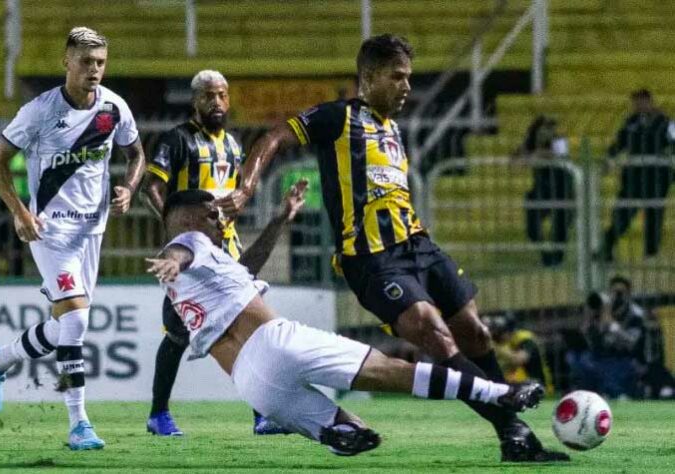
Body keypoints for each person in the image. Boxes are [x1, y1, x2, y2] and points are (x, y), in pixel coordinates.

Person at [215, 34, 568, 462]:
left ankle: (512, 432)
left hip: (419, 245)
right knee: (431, 331)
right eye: (396, 77)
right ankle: (511, 425)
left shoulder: (393, 129)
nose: (406, 87)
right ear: (368, 78)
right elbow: (274, 137)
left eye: (409, 78)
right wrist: (247, 187)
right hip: (371, 259)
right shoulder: (338, 118)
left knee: (475, 331)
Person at [147, 188, 545, 456]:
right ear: (194, 218)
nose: (222, 222)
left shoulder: (193, 279)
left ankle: (335, 432)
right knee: (393, 372)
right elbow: (186, 247)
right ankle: (499, 394)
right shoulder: (191, 241)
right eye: (215, 215)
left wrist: (281, 218)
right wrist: (174, 258)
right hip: (276, 343)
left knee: (354, 430)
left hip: (253, 387)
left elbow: (243, 269)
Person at [0, 26, 146, 450]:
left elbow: (137, 154)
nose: (94, 71)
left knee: (62, 327)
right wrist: (20, 212)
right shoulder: (39, 111)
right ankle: (78, 423)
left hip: (93, 231)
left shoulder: (113, 108)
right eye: (86, 62)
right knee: (75, 320)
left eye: (101, 63)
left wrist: (130, 186)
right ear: (66, 62)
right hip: (49, 230)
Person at [141, 70, 284, 436]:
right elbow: (151, 188)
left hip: (227, 252)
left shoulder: (234, 146)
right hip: (190, 256)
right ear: (195, 101)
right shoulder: (178, 140)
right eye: (208, 96)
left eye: (221, 95)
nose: (216, 103)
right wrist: (177, 229)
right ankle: (158, 415)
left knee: (247, 329)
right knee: (177, 334)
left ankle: (261, 414)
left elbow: (231, 196)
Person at [599, 89, 675, 262]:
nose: (638, 106)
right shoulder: (630, 122)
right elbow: (619, 143)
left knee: (654, 215)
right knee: (622, 214)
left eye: (641, 102)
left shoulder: (667, 122)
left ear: (650, 101)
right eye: (635, 103)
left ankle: (651, 253)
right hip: (633, 177)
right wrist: (610, 158)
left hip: (657, 176)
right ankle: (607, 247)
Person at [514, 116, 574, 267]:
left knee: (561, 228)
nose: (547, 132)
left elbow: (560, 155)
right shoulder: (531, 142)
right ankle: (547, 256)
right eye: (545, 129)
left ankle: (557, 259)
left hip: (563, 189)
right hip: (542, 189)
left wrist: (536, 155)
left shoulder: (559, 140)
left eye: (550, 128)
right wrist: (528, 154)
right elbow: (516, 162)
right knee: (532, 228)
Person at [485, 313, 554, 395]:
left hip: (539, 387)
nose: (497, 337)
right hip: (521, 387)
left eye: (499, 333)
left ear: (507, 331)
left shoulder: (525, 338)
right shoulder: (508, 343)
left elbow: (519, 359)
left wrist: (494, 346)